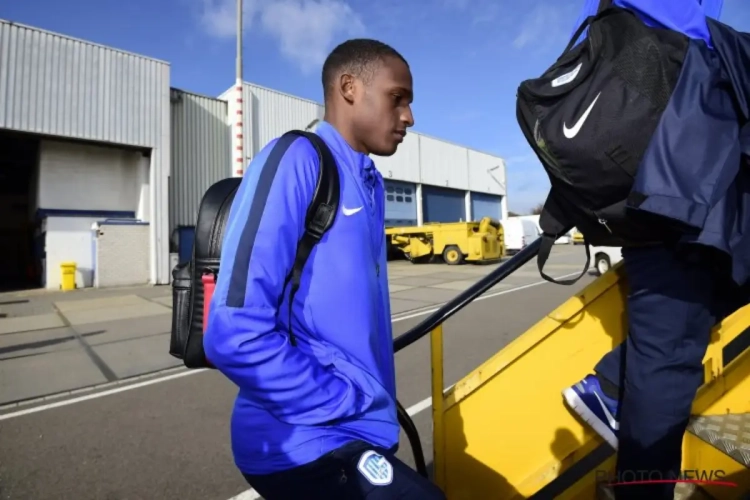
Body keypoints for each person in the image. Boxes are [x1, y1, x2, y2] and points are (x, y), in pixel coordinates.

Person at [202, 38, 446, 499]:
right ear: (349, 87)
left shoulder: (370, 184)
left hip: (357, 433)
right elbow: (233, 333)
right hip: (307, 441)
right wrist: (343, 401)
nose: (409, 117)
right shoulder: (296, 159)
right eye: (399, 98)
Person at [561, 1, 749, 499]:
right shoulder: (675, 31)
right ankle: (614, 394)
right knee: (665, 363)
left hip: (687, 175)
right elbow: (686, 28)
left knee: (677, 340)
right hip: (672, 175)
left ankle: (612, 385)